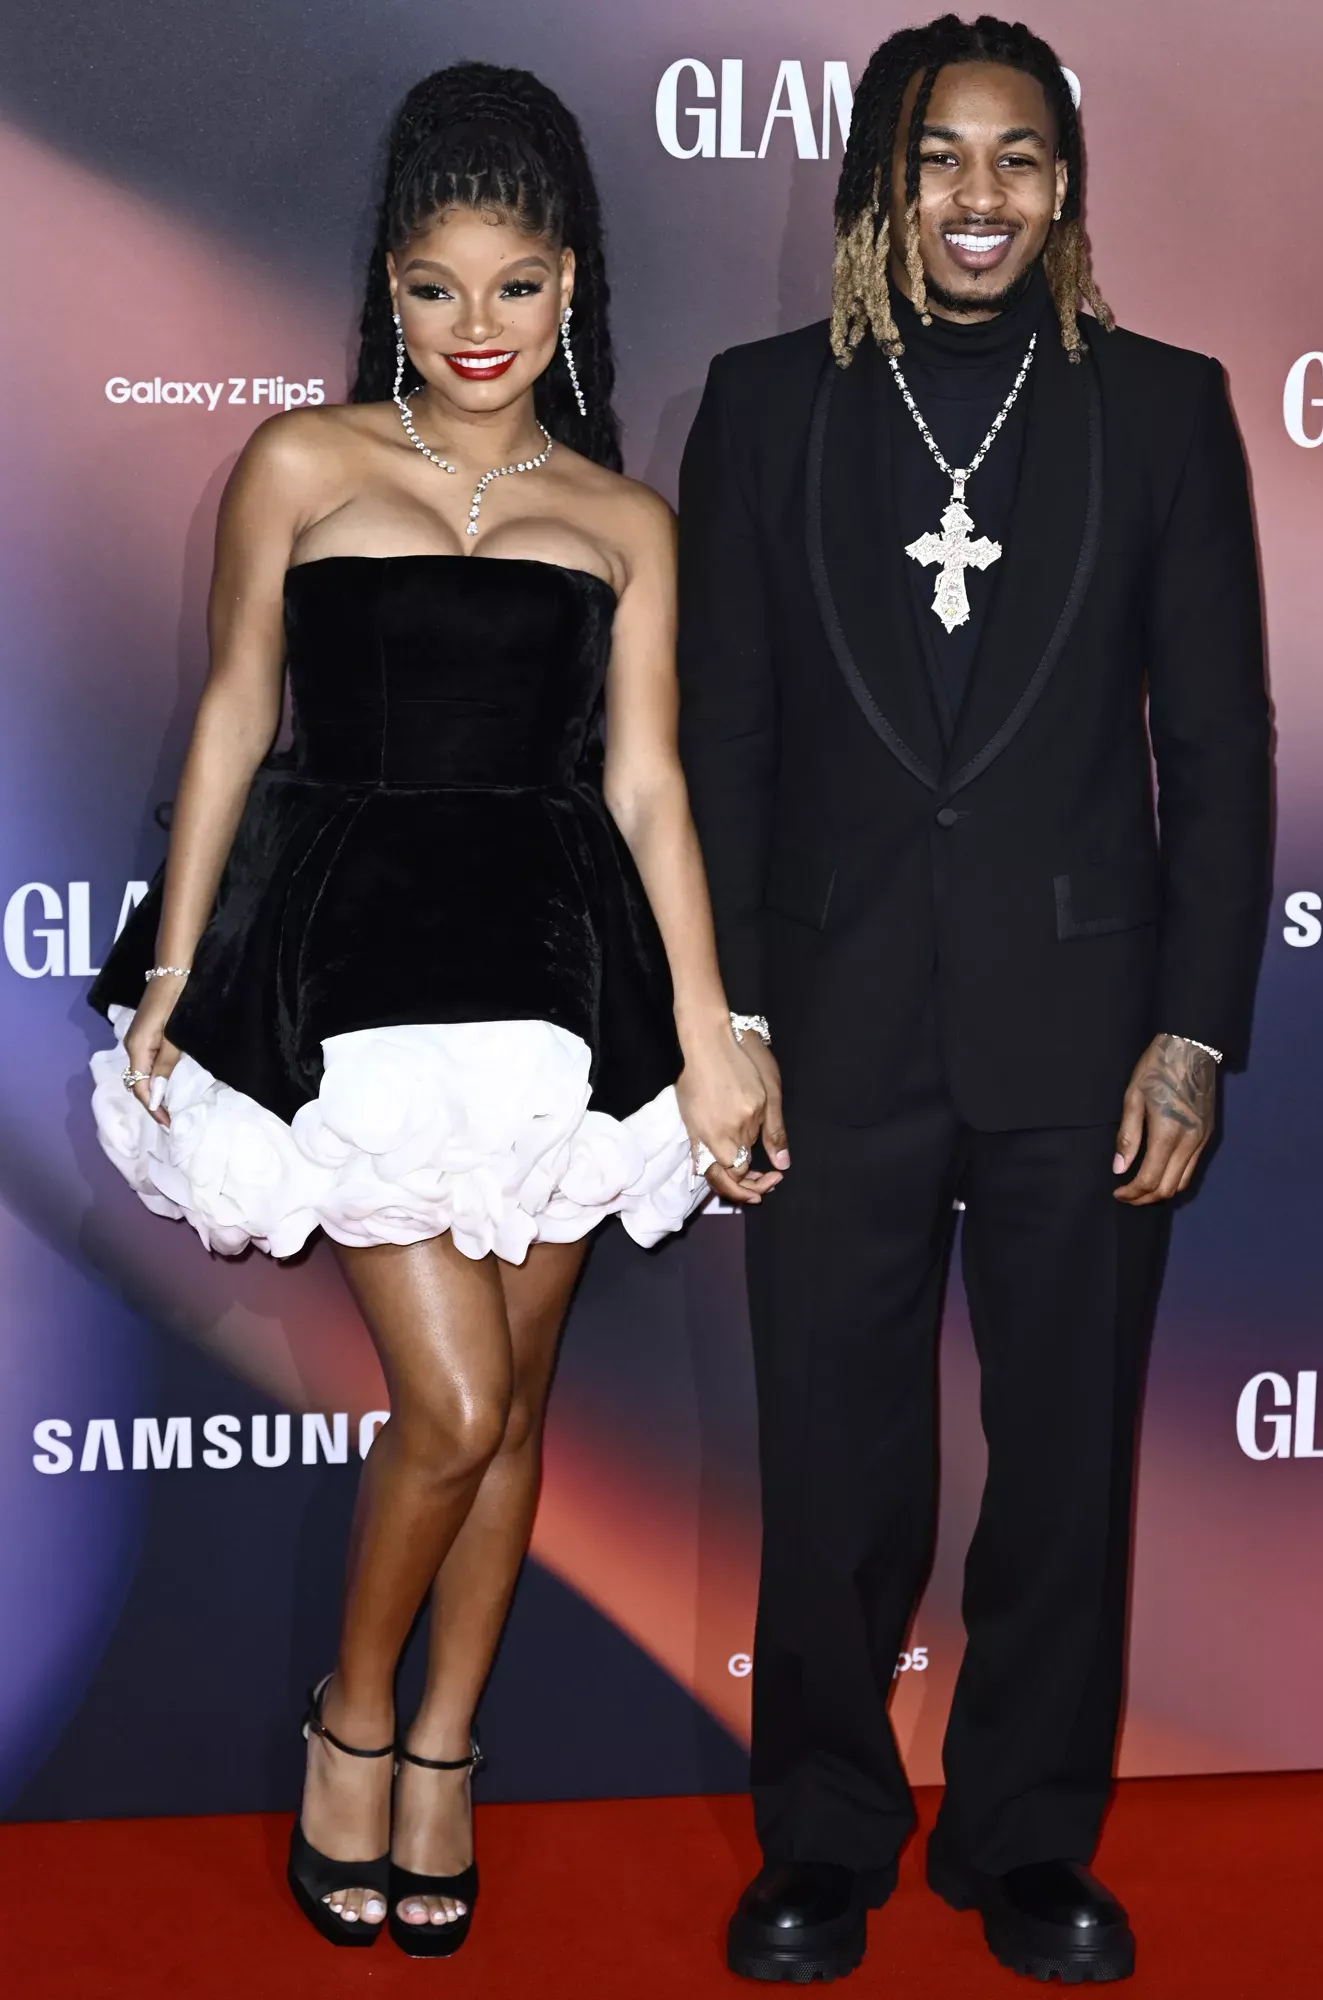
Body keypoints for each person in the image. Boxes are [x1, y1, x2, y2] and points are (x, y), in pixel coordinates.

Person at [88, 63, 781, 1958]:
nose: (480, 327)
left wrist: (710, 1029)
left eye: (519, 286)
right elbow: (236, 714)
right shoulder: (301, 465)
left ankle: (448, 1750)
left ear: (574, 285)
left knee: (519, 1406)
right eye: (436, 286)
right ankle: (355, 1718)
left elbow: (647, 785)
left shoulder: (624, 517)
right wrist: (174, 967)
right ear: (387, 285)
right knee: (455, 1403)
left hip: (557, 979)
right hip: (354, 971)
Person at [678, 14, 1270, 1986]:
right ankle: (823, 1835)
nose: (980, 195)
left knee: (1066, 1462)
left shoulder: (1161, 407)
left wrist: (1192, 1029)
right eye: (941, 156)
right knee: (831, 1459)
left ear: (1065, 184)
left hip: (1086, 1035)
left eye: (1019, 157)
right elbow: (723, 736)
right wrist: (734, 1016)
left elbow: (1221, 745)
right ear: (882, 175)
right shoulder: (767, 405)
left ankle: (1026, 1838)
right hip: (831, 1023)